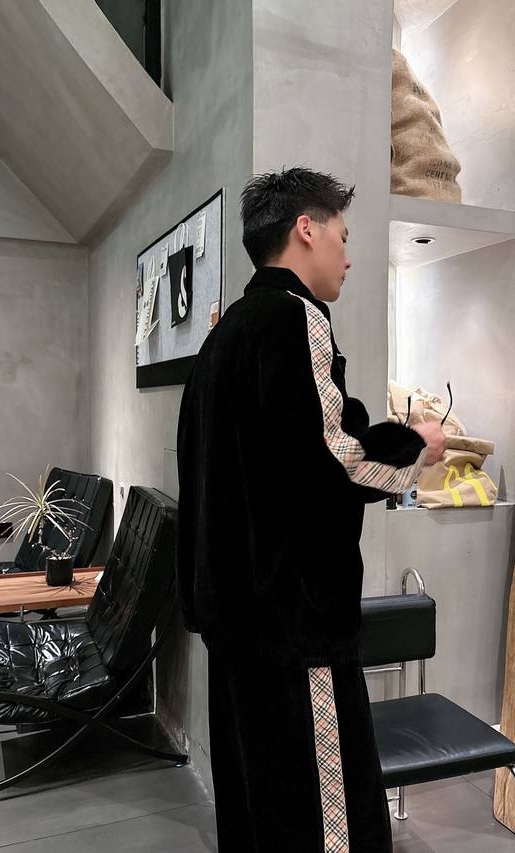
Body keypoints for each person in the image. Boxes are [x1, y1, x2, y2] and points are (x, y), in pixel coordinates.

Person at [177, 167, 446, 852]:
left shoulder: (219, 341)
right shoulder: (293, 318)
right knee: (328, 821)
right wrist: (418, 445)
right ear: (306, 228)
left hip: (236, 628)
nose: (348, 256)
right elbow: (337, 457)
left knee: (257, 803)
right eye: (343, 236)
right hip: (293, 630)